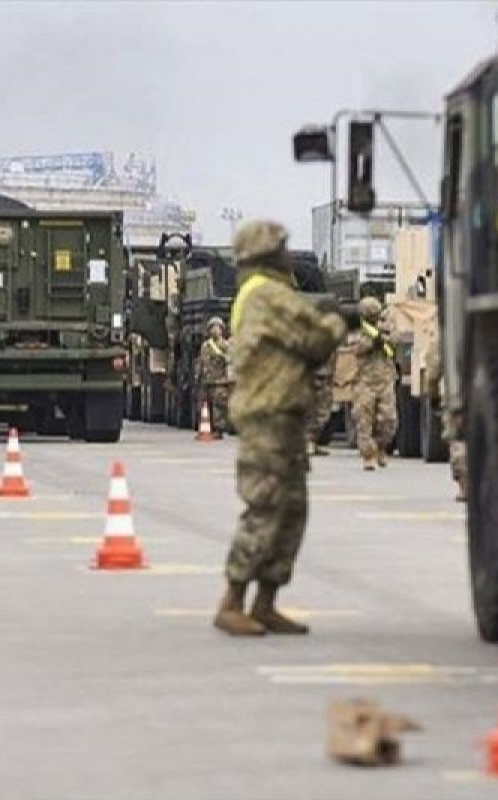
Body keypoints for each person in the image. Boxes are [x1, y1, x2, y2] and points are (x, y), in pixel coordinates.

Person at [215, 220, 345, 637]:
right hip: (268, 415)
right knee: (267, 507)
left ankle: (266, 601)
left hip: (282, 414)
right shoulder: (267, 295)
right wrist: (338, 321)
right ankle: (233, 600)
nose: (288, 256)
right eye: (282, 249)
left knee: (291, 511)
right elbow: (316, 341)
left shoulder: (260, 294)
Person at [352, 296, 397, 471]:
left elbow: (396, 341)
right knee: (364, 419)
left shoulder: (384, 328)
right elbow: (355, 348)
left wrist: (384, 339)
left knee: (388, 419)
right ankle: (368, 456)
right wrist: (371, 341)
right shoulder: (361, 330)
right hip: (365, 381)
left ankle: (381, 448)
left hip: (385, 379)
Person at [424, 325, 467, 502]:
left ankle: (465, 485)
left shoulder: (448, 331)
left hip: (455, 391)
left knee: (459, 439)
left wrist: (432, 394)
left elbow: (434, 367)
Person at [196, 316, 231, 436]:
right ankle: (206, 427)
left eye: (217, 328)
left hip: (219, 381)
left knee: (219, 406)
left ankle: (218, 429)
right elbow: (201, 363)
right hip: (207, 380)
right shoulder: (205, 346)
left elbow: (230, 362)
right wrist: (198, 377)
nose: (215, 330)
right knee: (205, 404)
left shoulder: (226, 346)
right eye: (212, 328)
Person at [305, 354, 334, 456]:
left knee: (323, 409)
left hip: (327, 371)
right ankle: (308, 441)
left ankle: (312, 440)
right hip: (314, 372)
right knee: (312, 407)